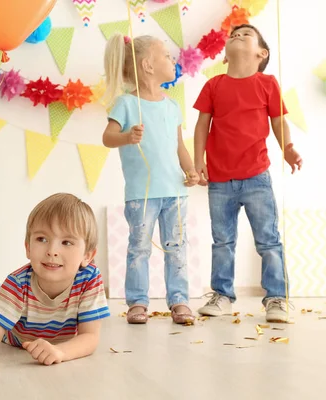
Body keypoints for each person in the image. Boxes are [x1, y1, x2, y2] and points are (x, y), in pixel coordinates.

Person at [193, 24, 303, 323]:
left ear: (261, 53)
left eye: (246, 34)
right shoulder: (213, 85)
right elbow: (202, 125)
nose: (237, 36)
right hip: (219, 179)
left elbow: (279, 123)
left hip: (257, 176)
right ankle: (223, 295)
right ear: (225, 56)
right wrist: (197, 159)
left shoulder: (267, 83)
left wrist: (288, 148)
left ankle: (277, 298)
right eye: (234, 35)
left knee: (268, 241)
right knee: (222, 241)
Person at [0, 193, 110, 368]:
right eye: (42, 239)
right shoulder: (17, 284)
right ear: (28, 248)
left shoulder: (89, 279)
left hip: (35, 324)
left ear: (87, 256)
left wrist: (61, 352)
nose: (52, 251)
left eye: (67, 242)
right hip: (13, 332)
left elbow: (90, 337)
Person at [102, 33, 199, 325]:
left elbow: (179, 145)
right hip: (141, 194)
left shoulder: (172, 107)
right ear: (147, 65)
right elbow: (108, 138)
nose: (173, 60)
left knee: (177, 248)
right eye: (167, 56)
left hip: (175, 191)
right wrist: (127, 136)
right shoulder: (126, 104)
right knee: (139, 248)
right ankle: (137, 302)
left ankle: (180, 300)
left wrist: (190, 170)